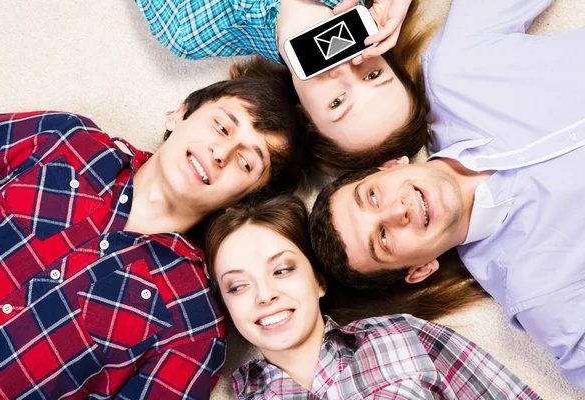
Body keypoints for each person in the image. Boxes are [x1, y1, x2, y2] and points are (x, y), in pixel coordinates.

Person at [309, 0, 585, 390]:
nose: (395, 212)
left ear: (391, 166)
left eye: (372, 197)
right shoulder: (541, 295)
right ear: (420, 270)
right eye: (383, 239)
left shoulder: (454, 70)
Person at [0, 75, 307, 399]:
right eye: (222, 127)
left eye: (246, 162)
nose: (221, 152)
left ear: (241, 201)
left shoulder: (194, 325)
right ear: (179, 115)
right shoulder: (65, 137)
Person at [203, 194, 540, 399]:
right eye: (238, 286)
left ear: (319, 281)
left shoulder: (406, 337)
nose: (265, 295)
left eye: (282, 270)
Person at [134, 0, 431, 173]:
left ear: (303, 116)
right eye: (373, 76)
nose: (345, 70)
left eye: (338, 102)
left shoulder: (187, 33)